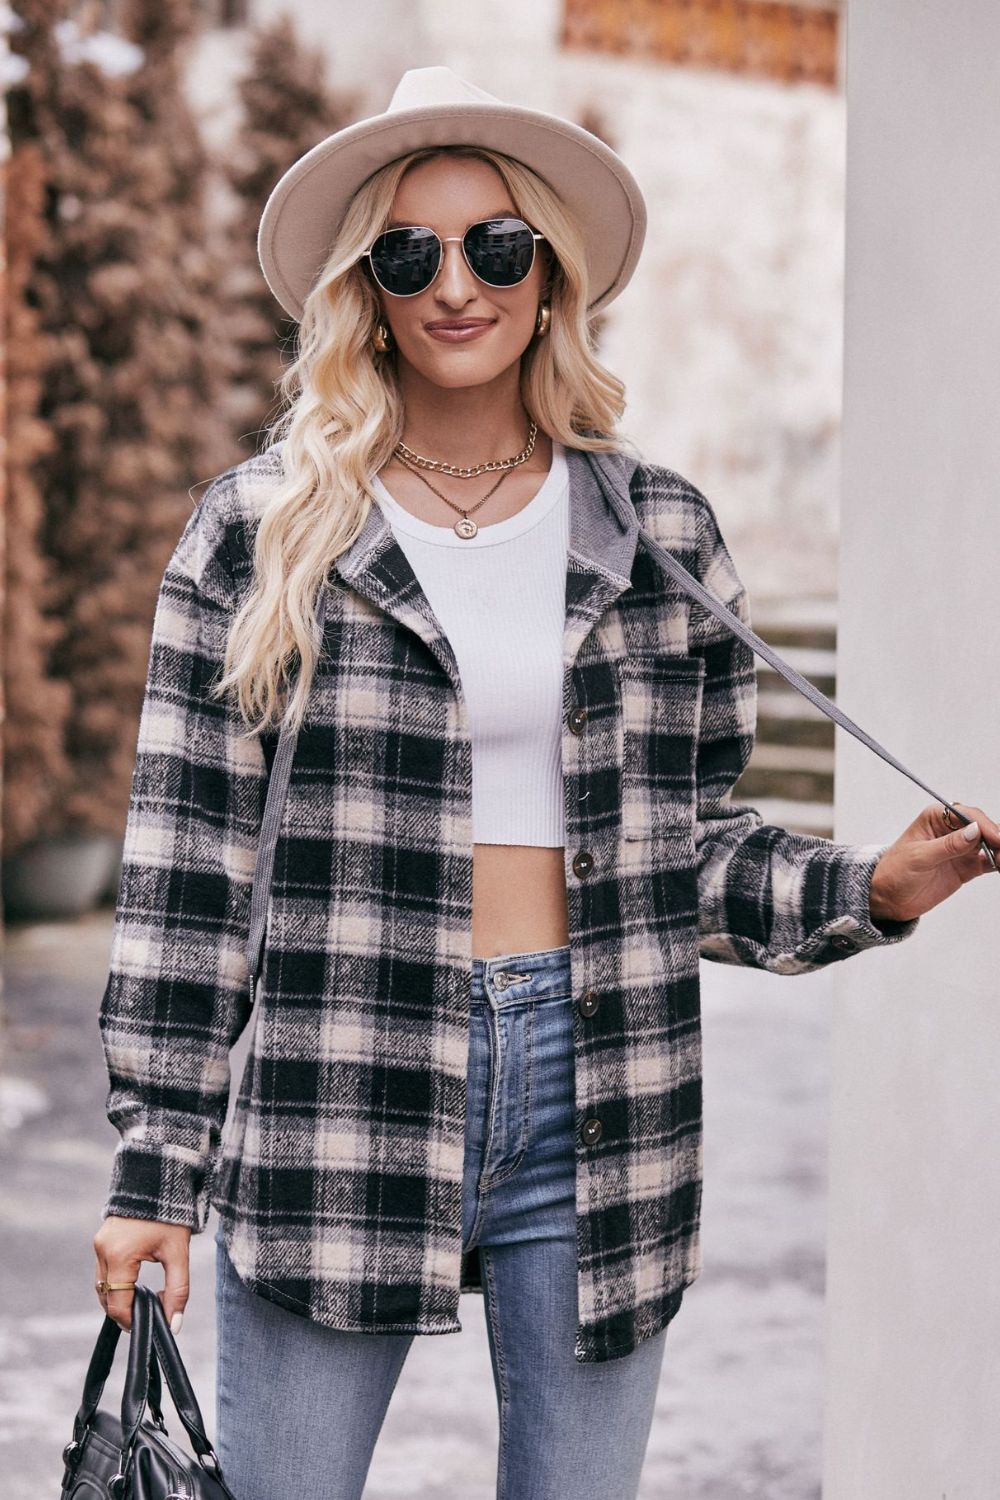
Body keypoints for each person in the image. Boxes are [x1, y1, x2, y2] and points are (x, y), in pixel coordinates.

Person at [91, 65, 999, 1500]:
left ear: (551, 274)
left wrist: (869, 888)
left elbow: (684, 845)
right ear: (366, 289)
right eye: (410, 254)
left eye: (497, 246)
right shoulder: (262, 534)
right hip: (341, 1078)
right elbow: (187, 875)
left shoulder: (658, 534)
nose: (457, 285)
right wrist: (156, 1169)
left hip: (602, 1086)